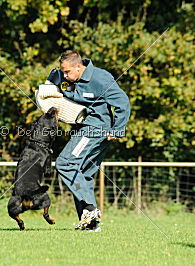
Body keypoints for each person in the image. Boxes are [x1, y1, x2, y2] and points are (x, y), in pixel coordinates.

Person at [53, 50, 131, 231]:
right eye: (63, 72)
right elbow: (72, 96)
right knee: (84, 173)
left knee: (65, 163)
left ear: (78, 67)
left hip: (95, 130)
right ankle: (91, 224)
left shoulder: (100, 78)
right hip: (86, 129)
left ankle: (89, 208)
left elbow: (122, 102)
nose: (65, 76)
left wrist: (118, 129)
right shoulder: (72, 79)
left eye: (67, 72)